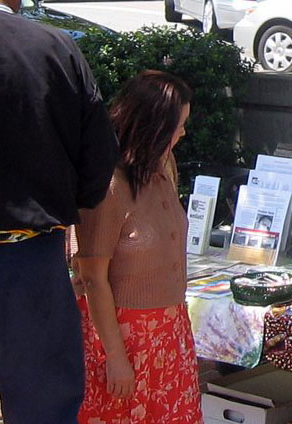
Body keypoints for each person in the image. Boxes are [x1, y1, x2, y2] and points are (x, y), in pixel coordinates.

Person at [0, 0, 119, 423]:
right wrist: (75, 205)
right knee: (44, 413)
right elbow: (98, 157)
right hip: (29, 261)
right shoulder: (57, 49)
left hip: (30, 252)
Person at [74, 70, 203, 424]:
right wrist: (114, 356)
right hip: (124, 338)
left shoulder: (164, 164)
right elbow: (92, 278)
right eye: (178, 125)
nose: (183, 133)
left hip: (170, 331)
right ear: (153, 127)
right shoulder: (109, 184)